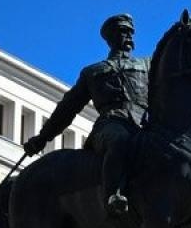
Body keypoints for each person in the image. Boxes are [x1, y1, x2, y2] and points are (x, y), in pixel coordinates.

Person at [21, 13, 149, 217]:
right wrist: (42, 138)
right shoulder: (94, 72)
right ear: (111, 38)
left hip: (144, 125)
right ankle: (113, 193)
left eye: (130, 32)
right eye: (123, 32)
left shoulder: (146, 66)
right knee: (120, 140)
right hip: (110, 124)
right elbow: (67, 108)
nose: (129, 37)